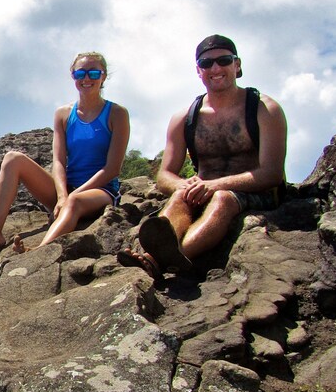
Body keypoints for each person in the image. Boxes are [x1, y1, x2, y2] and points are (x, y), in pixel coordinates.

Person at [118, 34, 287, 278]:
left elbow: (271, 173)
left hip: (255, 192)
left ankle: (161, 260)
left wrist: (214, 185)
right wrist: (187, 186)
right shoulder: (185, 118)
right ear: (198, 70)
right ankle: (157, 256)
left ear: (237, 65)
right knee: (179, 197)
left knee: (223, 199)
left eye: (224, 60)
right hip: (203, 189)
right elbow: (164, 176)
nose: (215, 68)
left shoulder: (264, 109)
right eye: (207, 64)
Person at [0, 51, 130, 259]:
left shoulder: (117, 114)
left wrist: (71, 198)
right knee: (13, 159)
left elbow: (112, 168)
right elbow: (58, 161)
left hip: (100, 192)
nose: (87, 79)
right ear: (73, 76)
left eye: (94, 73)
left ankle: (40, 252)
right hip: (66, 192)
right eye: (81, 73)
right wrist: (62, 197)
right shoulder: (63, 114)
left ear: (103, 77)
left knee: (75, 202)